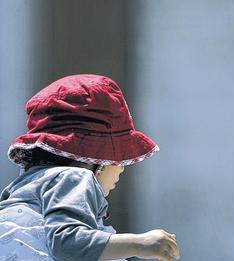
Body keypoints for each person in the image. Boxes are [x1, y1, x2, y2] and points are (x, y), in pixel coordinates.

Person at [0, 74, 180, 261]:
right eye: (120, 159)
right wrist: (138, 243)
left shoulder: (22, 184)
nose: (122, 168)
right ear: (96, 159)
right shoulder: (74, 177)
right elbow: (68, 244)